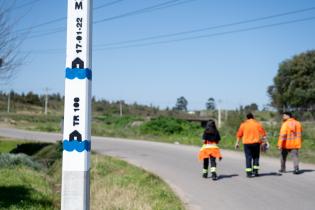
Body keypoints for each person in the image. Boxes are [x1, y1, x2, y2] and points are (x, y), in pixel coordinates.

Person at [235, 113, 267, 177]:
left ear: (247, 118)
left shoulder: (243, 125)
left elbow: (239, 135)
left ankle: (249, 173)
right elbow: (263, 134)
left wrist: (237, 143)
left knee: (248, 157)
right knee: (256, 157)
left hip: (247, 144)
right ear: (253, 117)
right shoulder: (257, 124)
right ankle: (255, 171)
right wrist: (264, 142)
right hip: (256, 143)